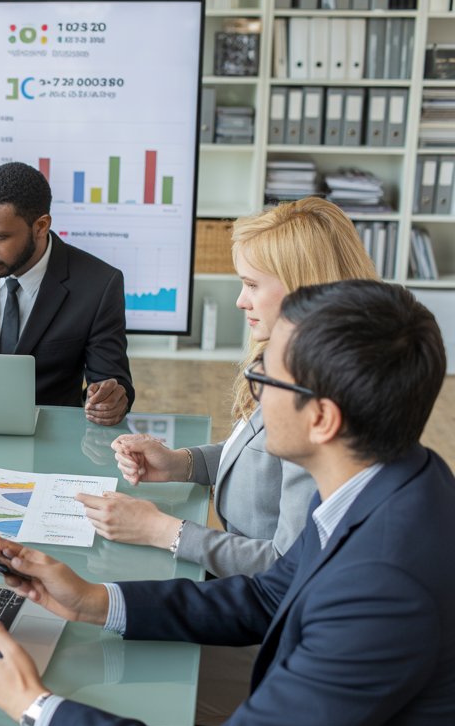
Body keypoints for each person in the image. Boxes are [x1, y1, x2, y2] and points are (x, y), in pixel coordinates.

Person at [0, 280, 455, 726]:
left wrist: (34, 707)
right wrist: (93, 601)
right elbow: (268, 594)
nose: (255, 387)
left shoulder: (384, 586)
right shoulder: (386, 476)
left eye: (269, 377)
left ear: (323, 419)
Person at [80, 198, 378, 576]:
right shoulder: (289, 363)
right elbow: (257, 459)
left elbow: (288, 568)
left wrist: (161, 530)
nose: (240, 301)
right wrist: (180, 463)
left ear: (305, 290)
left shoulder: (320, 407)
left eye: (252, 285)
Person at [0, 161, 134, 425]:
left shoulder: (99, 285)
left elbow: (112, 381)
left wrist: (109, 401)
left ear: (40, 226)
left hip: (50, 438)